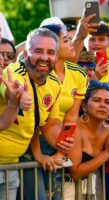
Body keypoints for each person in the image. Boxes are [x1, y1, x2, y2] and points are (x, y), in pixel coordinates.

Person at [0, 28, 71, 200]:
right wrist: (17, 99)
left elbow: (49, 124)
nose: (45, 58)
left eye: (50, 52)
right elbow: (10, 90)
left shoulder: (55, 84)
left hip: (11, 165)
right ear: (25, 54)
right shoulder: (13, 72)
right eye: (38, 51)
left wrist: (63, 143)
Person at [67, 80, 109, 199]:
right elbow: (75, 173)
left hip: (93, 190)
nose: (103, 105)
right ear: (84, 105)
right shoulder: (74, 128)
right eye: (96, 100)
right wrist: (107, 153)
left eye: (107, 102)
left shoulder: (108, 129)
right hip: (68, 191)